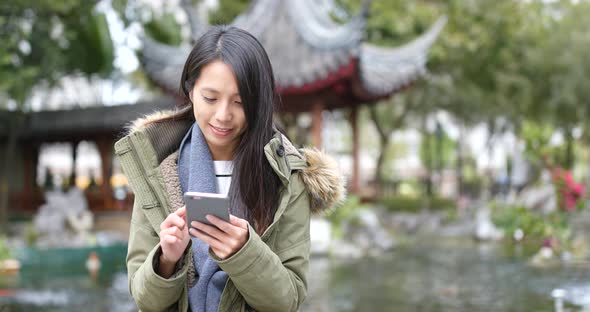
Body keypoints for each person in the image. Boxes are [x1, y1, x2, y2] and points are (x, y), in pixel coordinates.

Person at [114, 25, 345, 312]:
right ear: (190, 90)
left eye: (240, 102)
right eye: (210, 98)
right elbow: (144, 301)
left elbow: (288, 302)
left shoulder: (287, 178)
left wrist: (244, 252)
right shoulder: (157, 171)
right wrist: (166, 259)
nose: (223, 116)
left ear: (258, 103)